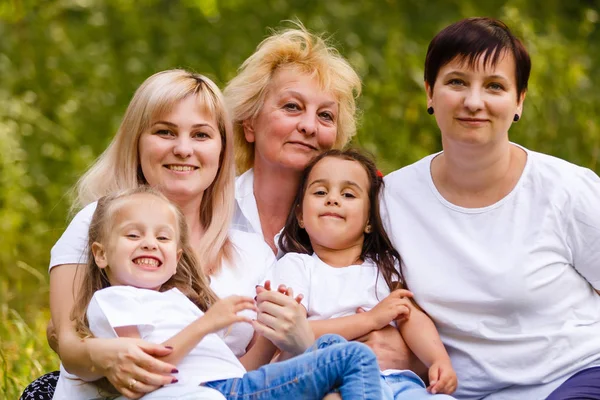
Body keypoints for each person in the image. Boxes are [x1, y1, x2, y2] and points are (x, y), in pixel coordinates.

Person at [24, 69, 314, 400]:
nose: (183, 149)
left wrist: (285, 338)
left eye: (201, 135)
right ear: (137, 140)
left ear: (222, 150)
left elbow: (238, 376)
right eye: (165, 132)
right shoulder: (97, 222)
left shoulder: (252, 251)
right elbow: (69, 344)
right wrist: (105, 356)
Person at [381, 17, 600, 400]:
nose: (474, 102)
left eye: (495, 86)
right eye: (457, 82)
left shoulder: (567, 190)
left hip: (572, 379)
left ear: (518, 101)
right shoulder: (391, 198)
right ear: (430, 92)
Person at [55, 186, 384, 399]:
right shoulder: (114, 300)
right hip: (219, 393)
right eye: (133, 234)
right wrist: (207, 323)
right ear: (100, 254)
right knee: (353, 357)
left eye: (163, 237)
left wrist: (271, 324)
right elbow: (146, 370)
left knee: (330, 346)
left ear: (177, 260)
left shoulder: (172, 301)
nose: (149, 243)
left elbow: (230, 367)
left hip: (232, 386)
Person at [224, 23, 422, 375]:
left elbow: (422, 316)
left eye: (325, 115)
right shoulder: (212, 211)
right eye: (292, 107)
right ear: (250, 123)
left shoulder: (373, 217)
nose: (309, 126)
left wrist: (412, 359)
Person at [272, 149, 457, 399]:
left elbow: (411, 317)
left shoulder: (385, 267)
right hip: (334, 383)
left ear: (370, 220)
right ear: (300, 216)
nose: (332, 199)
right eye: (320, 192)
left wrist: (438, 359)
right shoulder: (296, 266)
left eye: (348, 194)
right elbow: (292, 332)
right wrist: (370, 320)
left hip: (398, 380)